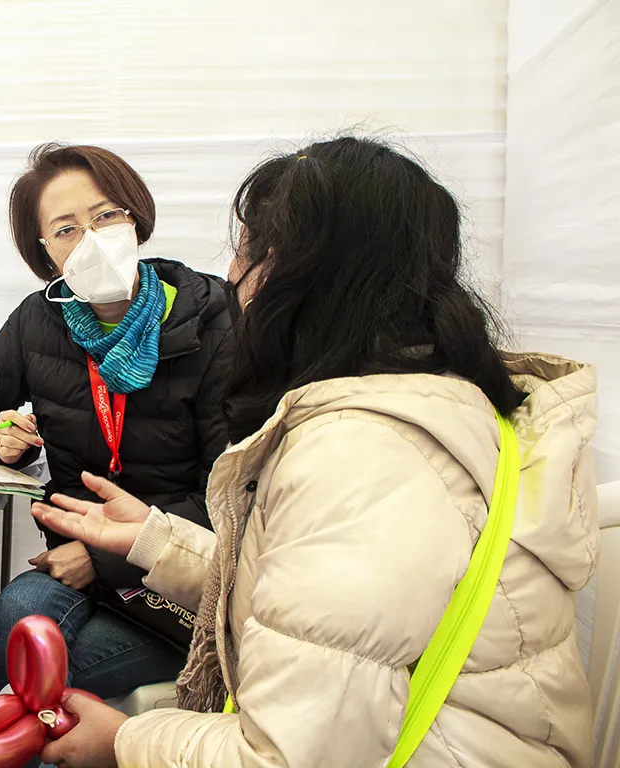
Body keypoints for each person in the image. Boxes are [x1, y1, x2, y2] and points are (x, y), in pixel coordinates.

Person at [30, 137, 598, 768]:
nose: (234, 281)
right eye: (64, 229)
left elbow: (287, 756)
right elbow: (316, 594)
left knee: (53, 686)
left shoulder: (358, 458)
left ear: (296, 276)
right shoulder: (433, 402)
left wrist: (123, 741)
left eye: (244, 256)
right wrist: (157, 540)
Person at [0, 143, 234, 706]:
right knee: (18, 620)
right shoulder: (39, 320)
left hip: (178, 576)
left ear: (135, 219)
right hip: (72, 560)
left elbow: (228, 496)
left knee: (43, 685)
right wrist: (0, 441)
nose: (92, 239)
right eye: (67, 229)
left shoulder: (210, 319)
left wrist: (101, 557)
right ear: (45, 252)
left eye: (105, 216)